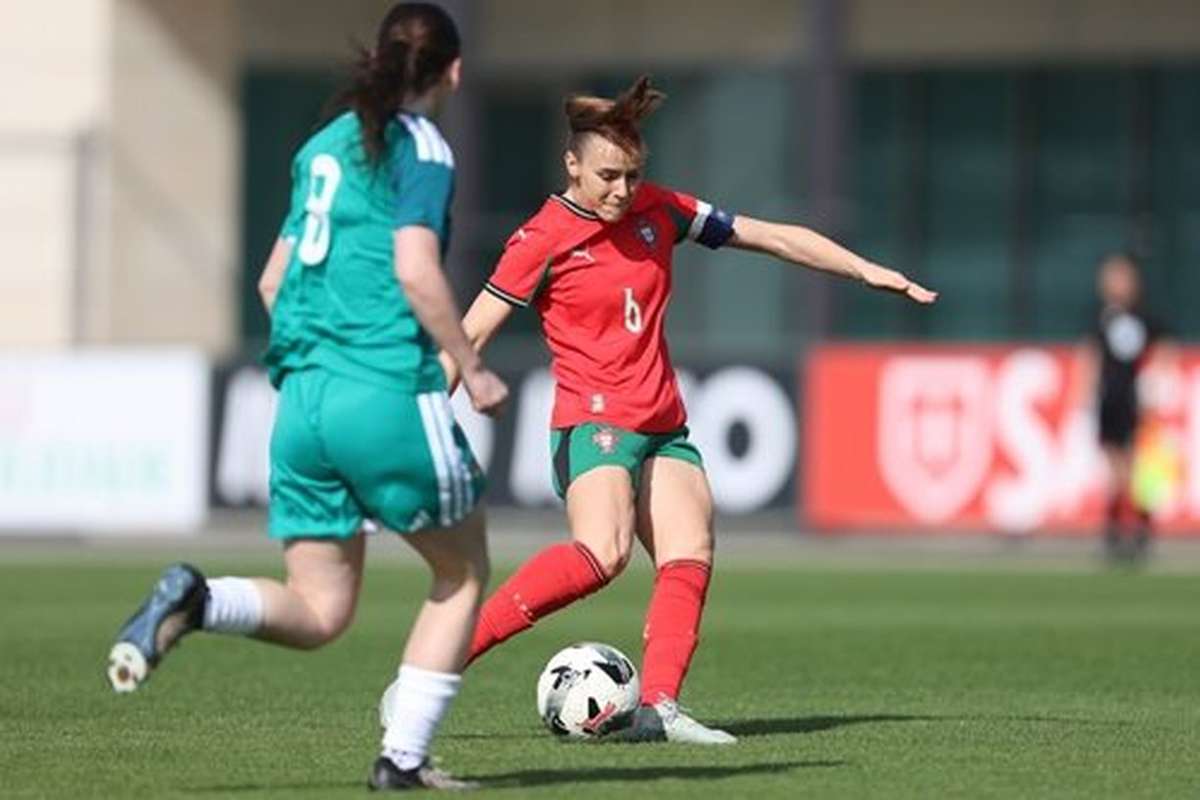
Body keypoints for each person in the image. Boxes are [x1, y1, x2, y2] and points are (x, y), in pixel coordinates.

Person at [444, 76, 936, 744]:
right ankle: (441, 663)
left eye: (633, 174)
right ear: (572, 165)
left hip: (662, 422)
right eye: (608, 175)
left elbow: (767, 236)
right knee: (603, 552)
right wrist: (418, 420)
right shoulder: (541, 237)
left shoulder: (661, 210)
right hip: (593, 421)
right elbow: (469, 333)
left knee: (690, 548)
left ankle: (659, 709)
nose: (622, 190)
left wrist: (864, 270)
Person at [105, 3, 508, 791]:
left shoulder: (322, 147)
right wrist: (473, 365)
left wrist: (316, 360)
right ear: (452, 72)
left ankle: (196, 597)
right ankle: (402, 759)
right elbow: (417, 270)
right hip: (383, 389)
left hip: (300, 406)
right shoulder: (421, 145)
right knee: (461, 574)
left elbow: (271, 280)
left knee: (320, 609)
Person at [1084, 253, 1167, 561]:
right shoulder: (1101, 317)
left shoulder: (1143, 317)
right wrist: (1086, 397)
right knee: (1114, 468)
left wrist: (1155, 384)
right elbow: (1091, 357)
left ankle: (1141, 529)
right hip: (1110, 399)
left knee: (1134, 468)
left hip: (1133, 399)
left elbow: (1163, 349)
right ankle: (1115, 532)